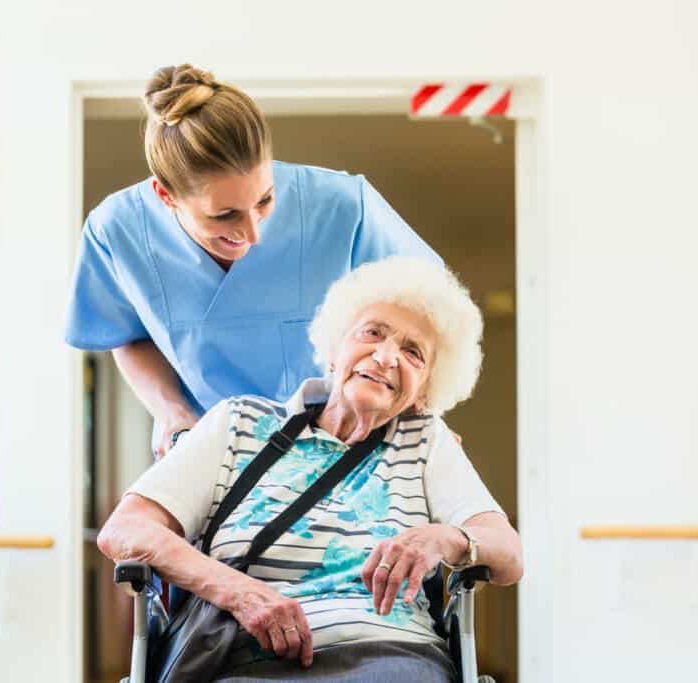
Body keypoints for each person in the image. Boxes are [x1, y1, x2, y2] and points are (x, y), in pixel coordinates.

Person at [97, 257, 523, 681]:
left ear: (425, 392)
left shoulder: (427, 441)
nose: (387, 356)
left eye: (413, 353)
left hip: (389, 656)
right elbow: (125, 530)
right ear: (334, 351)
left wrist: (447, 537)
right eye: (372, 332)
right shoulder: (236, 422)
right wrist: (241, 593)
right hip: (241, 654)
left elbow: (507, 553)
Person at [65, 64, 440, 457]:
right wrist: (172, 414)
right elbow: (127, 335)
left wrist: (420, 421)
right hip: (209, 451)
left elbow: (430, 311)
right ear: (166, 195)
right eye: (224, 215)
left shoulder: (342, 206)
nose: (254, 232)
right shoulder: (118, 231)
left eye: (265, 200)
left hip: (345, 445)